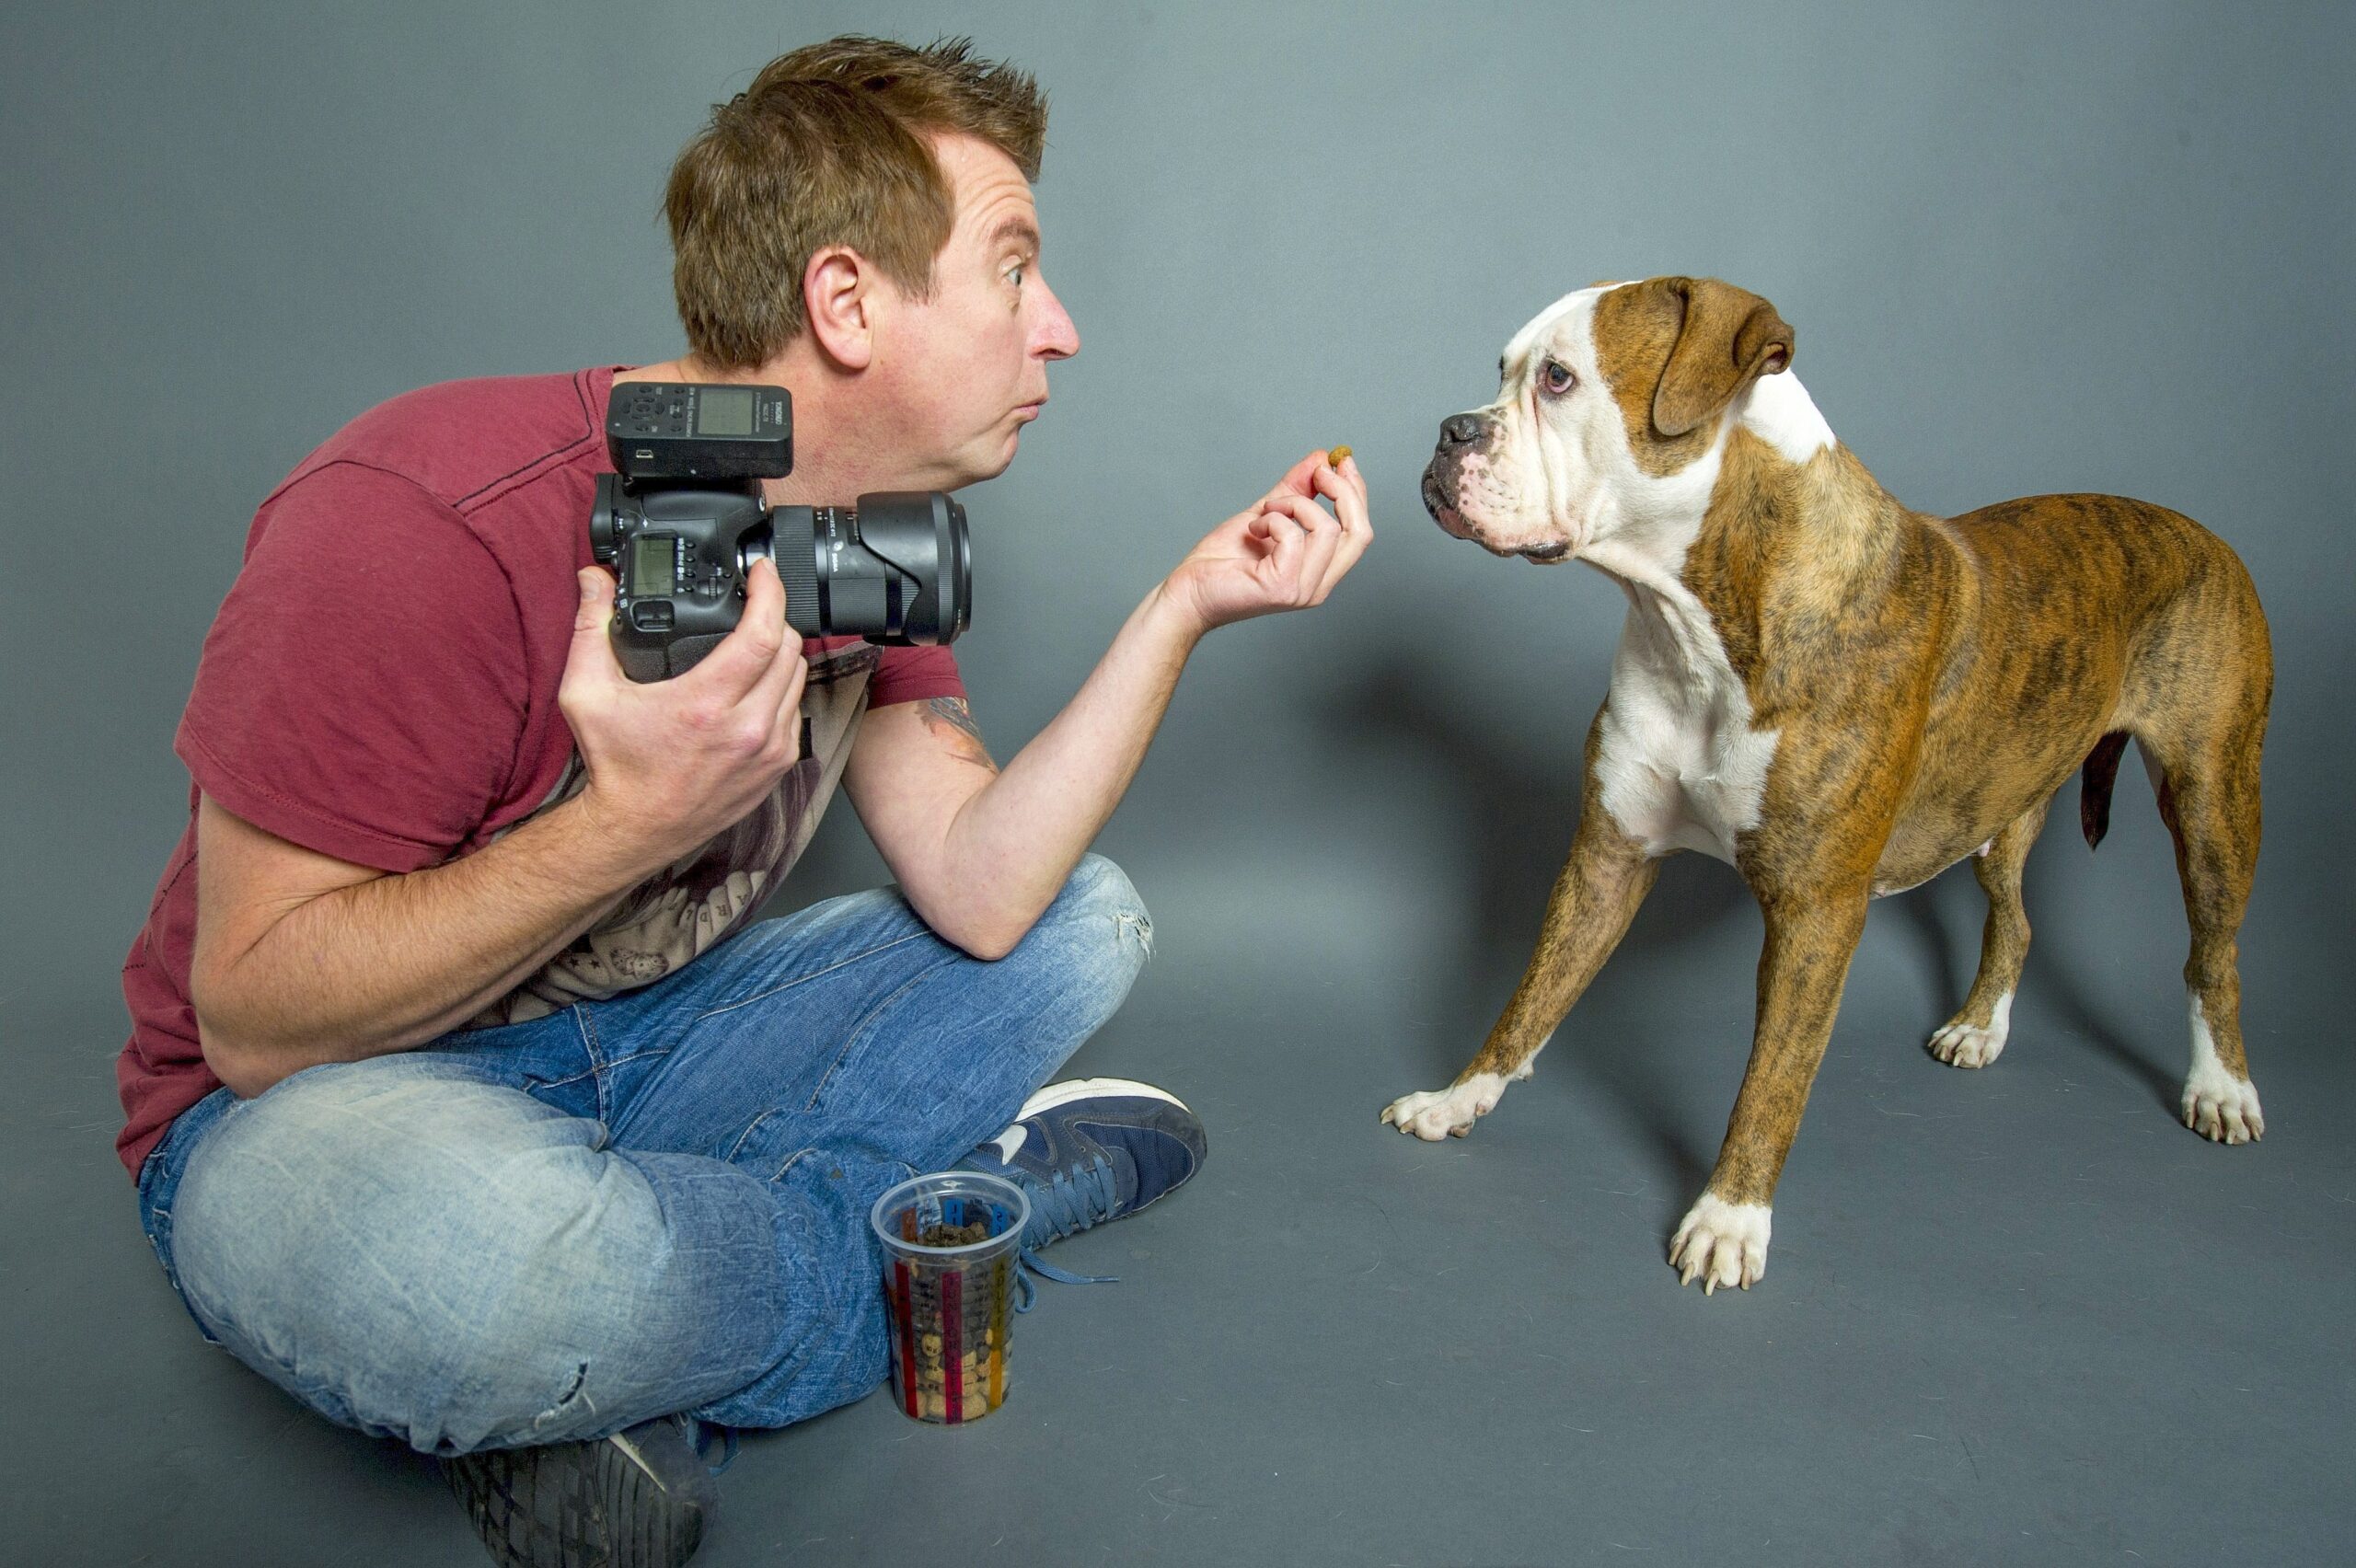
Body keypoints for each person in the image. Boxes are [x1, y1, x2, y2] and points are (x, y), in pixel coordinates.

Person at [113, 33, 1372, 1568]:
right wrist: (627, 822)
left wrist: (1182, 608)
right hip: (321, 1103)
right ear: (847, 302)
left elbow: (983, 891)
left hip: (648, 1049)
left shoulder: (870, 535)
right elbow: (249, 1017)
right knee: (469, 1286)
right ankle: (973, 1222)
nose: (1061, 331)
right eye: (1015, 271)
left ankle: (644, 1329)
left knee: (1086, 920)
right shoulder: (422, 519)